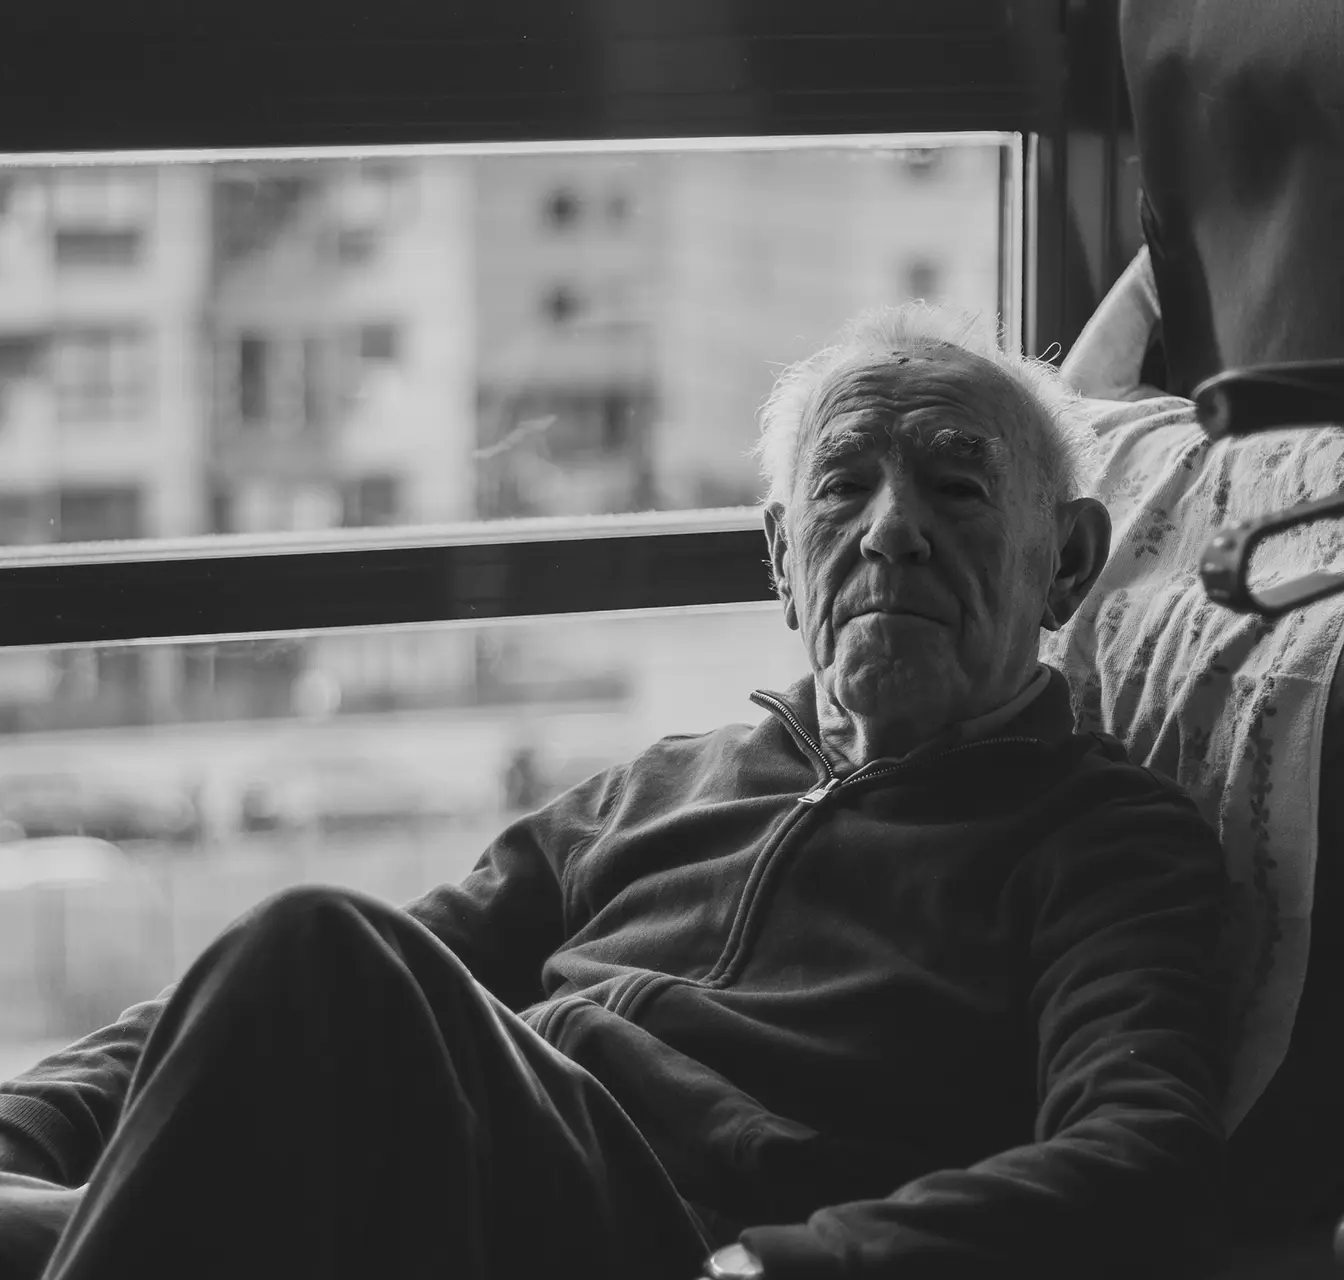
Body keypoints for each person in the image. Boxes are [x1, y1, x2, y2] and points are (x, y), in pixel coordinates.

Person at [0, 303, 1229, 1280]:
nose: (891, 530)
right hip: (453, 1205)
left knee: (317, 942)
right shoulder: (652, 789)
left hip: (652, 1236)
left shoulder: (1105, 837)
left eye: (957, 487)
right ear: (781, 563)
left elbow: (1138, 1150)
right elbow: (370, 987)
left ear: (1065, 560)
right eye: (844, 487)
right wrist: (28, 1126)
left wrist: (775, 1264)